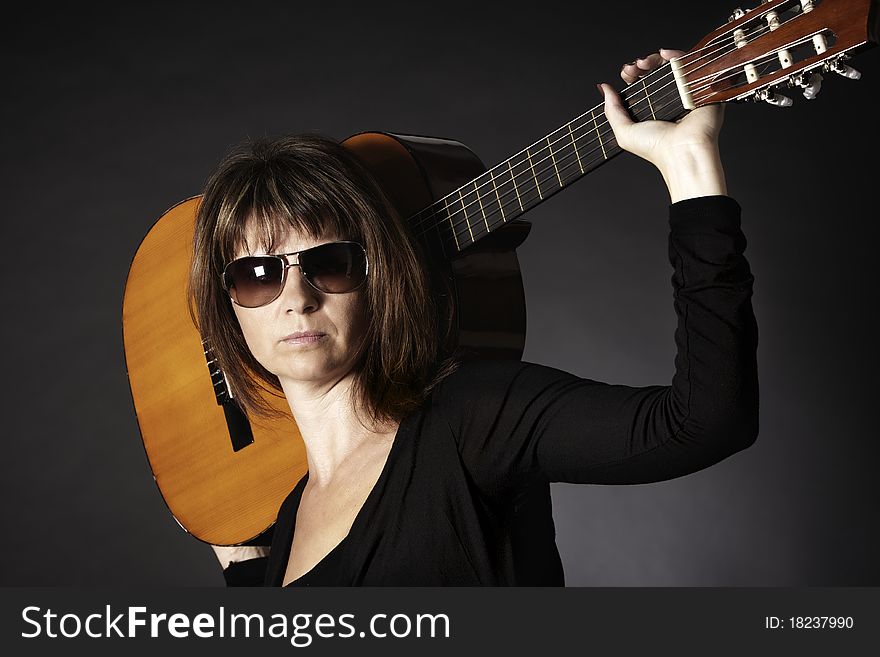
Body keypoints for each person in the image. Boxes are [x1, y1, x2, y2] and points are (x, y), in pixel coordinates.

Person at [189, 49, 758, 586]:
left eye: (330, 264)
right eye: (257, 275)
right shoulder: (291, 515)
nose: (296, 296)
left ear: (378, 276)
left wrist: (691, 171)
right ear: (228, 306)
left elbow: (704, 424)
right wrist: (246, 573)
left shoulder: (475, 420)